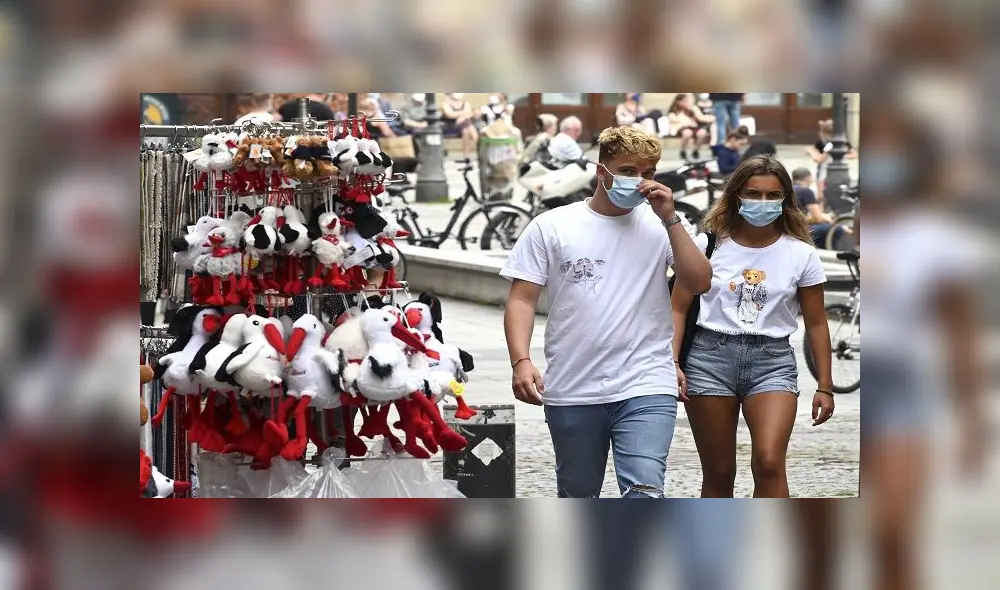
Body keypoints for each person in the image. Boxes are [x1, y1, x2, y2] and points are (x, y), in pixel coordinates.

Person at [500, 126, 712, 498]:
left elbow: (698, 282)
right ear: (602, 171)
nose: (640, 181)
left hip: (647, 382)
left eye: (648, 172)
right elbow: (522, 299)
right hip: (573, 385)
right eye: (628, 171)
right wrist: (521, 360)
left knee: (645, 493)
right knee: (578, 495)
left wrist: (671, 219)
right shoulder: (552, 226)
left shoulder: (662, 225)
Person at [671, 155, 835, 498]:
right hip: (708, 360)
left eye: (773, 195)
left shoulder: (801, 254)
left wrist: (825, 385)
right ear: (736, 196)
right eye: (753, 194)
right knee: (718, 471)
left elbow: (817, 323)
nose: (763, 202)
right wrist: (672, 362)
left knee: (770, 462)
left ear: (786, 199)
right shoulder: (709, 245)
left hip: (772, 362)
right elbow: (678, 307)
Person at [792, 167, 848, 249]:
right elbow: (819, 218)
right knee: (837, 229)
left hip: (790, 229)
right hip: (801, 230)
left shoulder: (790, 189)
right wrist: (829, 219)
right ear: (808, 178)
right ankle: (832, 253)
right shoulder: (806, 191)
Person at [806, 119, 857, 203]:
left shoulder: (830, 145)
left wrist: (811, 152)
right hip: (841, 173)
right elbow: (854, 154)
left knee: (822, 196)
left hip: (826, 174)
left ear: (826, 134)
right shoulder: (842, 142)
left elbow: (819, 159)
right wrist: (842, 156)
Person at [667, 93, 714, 161]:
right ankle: (682, 150)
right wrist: (687, 122)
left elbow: (700, 117)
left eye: (687, 101)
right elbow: (674, 120)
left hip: (694, 127)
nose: (686, 103)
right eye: (684, 101)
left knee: (702, 133)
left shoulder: (693, 108)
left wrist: (710, 118)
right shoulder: (674, 111)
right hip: (682, 128)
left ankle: (696, 150)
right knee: (687, 133)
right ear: (678, 102)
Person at [440, 92, 478, 157]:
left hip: (464, 126)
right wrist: (464, 113)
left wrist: (463, 117)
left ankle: (466, 155)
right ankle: (468, 152)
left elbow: (469, 112)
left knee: (465, 130)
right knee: (467, 126)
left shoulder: (465, 103)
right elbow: (450, 114)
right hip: (451, 126)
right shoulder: (445, 104)